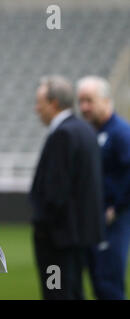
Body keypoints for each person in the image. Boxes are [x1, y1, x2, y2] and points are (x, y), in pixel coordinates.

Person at [30, 75, 104, 300]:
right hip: (78, 237)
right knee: (72, 292)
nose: (36, 109)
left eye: (39, 103)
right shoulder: (85, 129)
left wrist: (44, 228)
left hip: (58, 240)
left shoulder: (63, 134)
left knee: (56, 293)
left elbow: (56, 191)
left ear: (53, 103)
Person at [77, 75, 130, 300]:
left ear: (106, 101)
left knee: (109, 285)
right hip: (93, 219)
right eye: (81, 102)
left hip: (112, 221)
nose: (84, 107)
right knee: (98, 281)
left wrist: (116, 209)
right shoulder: (90, 132)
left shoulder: (121, 133)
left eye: (89, 101)